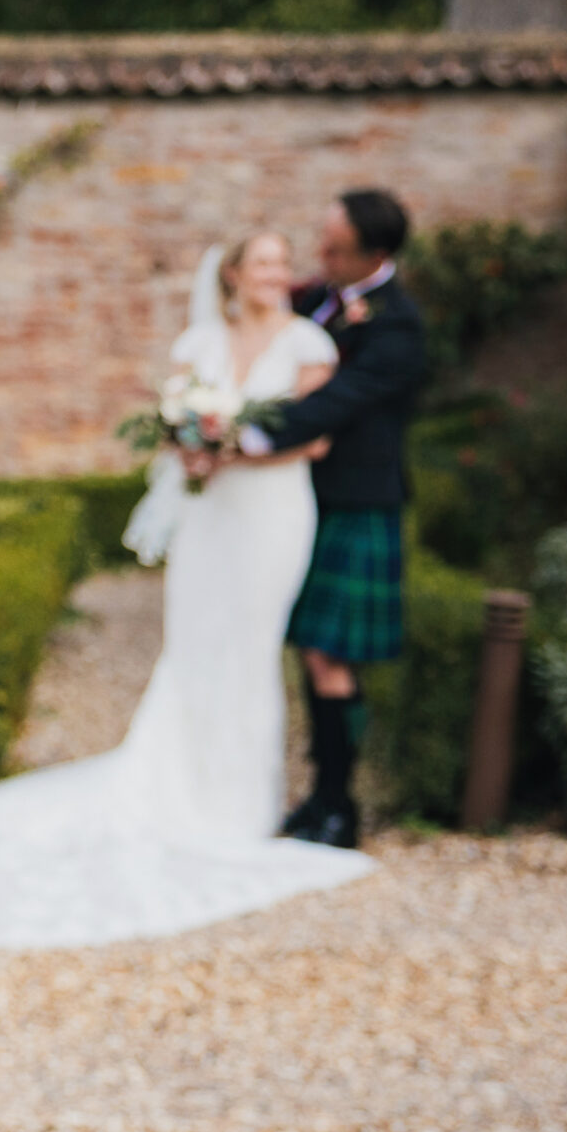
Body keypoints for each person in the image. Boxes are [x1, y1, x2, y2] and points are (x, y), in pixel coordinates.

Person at [0, 232, 372, 948]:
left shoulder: (308, 344)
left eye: (281, 261)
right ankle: (179, 782)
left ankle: (241, 802)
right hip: (212, 515)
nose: (278, 272)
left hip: (271, 512)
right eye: (263, 261)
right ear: (234, 273)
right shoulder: (199, 344)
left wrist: (235, 447)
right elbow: (174, 429)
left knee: (251, 641)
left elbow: (315, 439)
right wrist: (197, 448)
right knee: (196, 637)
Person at [246, 189, 429, 850]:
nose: (319, 256)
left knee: (331, 654)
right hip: (305, 498)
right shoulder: (317, 298)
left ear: (373, 255)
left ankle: (338, 803)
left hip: (359, 500)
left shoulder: (397, 325)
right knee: (309, 648)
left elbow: (341, 399)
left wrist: (250, 433)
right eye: (321, 242)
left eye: (334, 248)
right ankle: (317, 793)